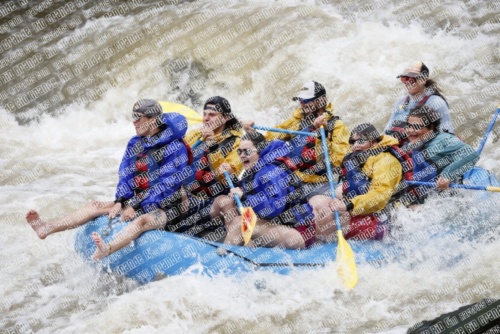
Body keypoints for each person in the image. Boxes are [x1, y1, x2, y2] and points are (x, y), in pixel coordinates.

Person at [25, 99, 191, 260]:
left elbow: (167, 187)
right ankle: (47, 227)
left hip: (167, 206)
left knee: (142, 221)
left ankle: (107, 249)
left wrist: (136, 206)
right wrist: (120, 200)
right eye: (132, 117)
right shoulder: (135, 143)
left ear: (153, 120)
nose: (133, 122)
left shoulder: (175, 148)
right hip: (138, 201)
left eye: (137, 117)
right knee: (94, 206)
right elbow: (125, 175)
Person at [211, 132, 315, 249]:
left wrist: (244, 197)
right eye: (240, 152)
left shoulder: (270, 171)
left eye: (247, 151)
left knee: (239, 222)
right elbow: (249, 192)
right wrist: (232, 178)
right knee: (223, 201)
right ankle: (242, 244)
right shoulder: (257, 168)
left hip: (297, 233)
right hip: (274, 226)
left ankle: (227, 254)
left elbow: (274, 208)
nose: (242, 155)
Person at [318, 124, 404, 242]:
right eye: (352, 142)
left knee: (327, 221)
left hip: (380, 219)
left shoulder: (386, 160)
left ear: (374, 142)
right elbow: (334, 156)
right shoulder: (358, 157)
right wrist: (323, 138)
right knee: (318, 204)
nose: (356, 145)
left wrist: (349, 205)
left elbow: (380, 194)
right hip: (357, 210)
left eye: (361, 141)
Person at [174, 96, 244, 235]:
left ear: (225, 118)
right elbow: (174, 162)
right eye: (204, 114)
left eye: (212, 115)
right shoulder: (194, 135)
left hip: (213, 205)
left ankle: (234, 243)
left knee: (226, 202)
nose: (206, 118)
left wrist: (213, 147)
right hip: (187, 199)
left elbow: (227, 175)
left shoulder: (238, 143)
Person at [404, 106, 479, 201]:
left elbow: (471, 154)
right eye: (408, 125)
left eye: (416, 126)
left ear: (431, 128)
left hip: (452, 198)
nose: (410, 130)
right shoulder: (419, 142)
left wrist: (447, 175)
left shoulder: (441, 141)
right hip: (430, 196)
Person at [385, 61, 452, 139]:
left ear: (423, 80)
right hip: (397, 147)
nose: (409, 82)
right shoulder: (401, 102)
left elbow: (448, 134)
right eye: (405, 78)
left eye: (413, 78)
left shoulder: (437, 103)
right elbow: (387, 130)